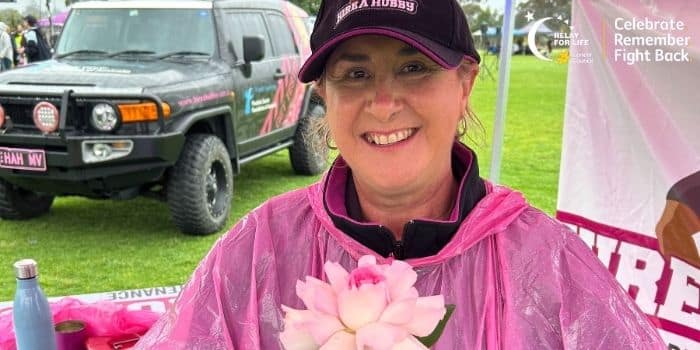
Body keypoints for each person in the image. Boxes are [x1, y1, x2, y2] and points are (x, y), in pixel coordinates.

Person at [136, 0, 666, 348]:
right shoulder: (259, 248)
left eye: (414, 67)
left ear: (464, 84)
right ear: (325, 96)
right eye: (356, 74)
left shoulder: (548, 261)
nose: (384, 103)